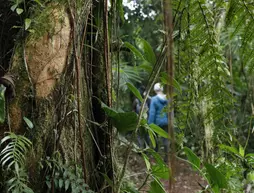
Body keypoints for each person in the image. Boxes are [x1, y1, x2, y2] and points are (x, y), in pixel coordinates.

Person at [148, 83, 169, 161]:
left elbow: (152, 113)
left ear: (155, 90)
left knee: (154, 138)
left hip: (157, 123)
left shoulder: (154, 99)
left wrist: (150, 124)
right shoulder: (167, 98)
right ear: (162, 89)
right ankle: (166, 157)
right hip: (166, 122)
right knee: (166, 139)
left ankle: (155, 156)